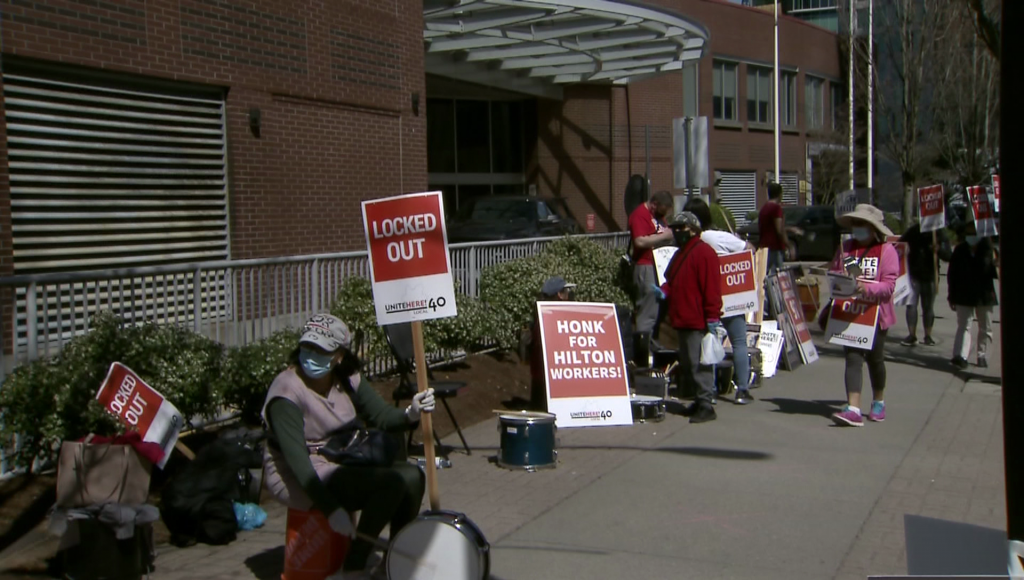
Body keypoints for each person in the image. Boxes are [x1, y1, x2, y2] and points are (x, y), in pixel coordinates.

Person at [262, 314, 435, 579]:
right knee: (389, 483)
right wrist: (331, 509)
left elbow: (381, 416)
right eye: (308, 346)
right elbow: (299, 464)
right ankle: (354, 566)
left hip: (339, 457)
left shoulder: (347, 377)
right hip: (298, 472)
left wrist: (410, 414)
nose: (311, 355)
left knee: (413, 476)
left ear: (339, 355)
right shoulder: (286, 391)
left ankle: (395, 558)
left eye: (321, 349)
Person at [828, 204, 899, 427]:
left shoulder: (886, 251)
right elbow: (839, 273)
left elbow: (888, 286)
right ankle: (853, 408)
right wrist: (841, 281)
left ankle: (878, 400)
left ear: (873, 228)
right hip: (851, 314)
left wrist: (865, 288)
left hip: (876, 316)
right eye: (855, 224)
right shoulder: (847, 248)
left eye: (863, 225)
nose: (858, 229)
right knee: (853, 358)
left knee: (875, 360)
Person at [684, 197, 757, 405]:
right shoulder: (719, 237)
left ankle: (711, 390)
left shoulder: (690, 241)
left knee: (709, 344)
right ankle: (742, 389)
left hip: (706, 299)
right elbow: (750, 248)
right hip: (732, 297)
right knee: (739, 343)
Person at [659, 211, 723, 424]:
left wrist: (712, 316)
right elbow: (670, 279)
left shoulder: (704, 253)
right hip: (682, 318)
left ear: (694, 230)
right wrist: (663, 291)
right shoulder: (680, 253)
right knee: (688, 363)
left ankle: (706, 403)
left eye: (682, 228)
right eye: (675, 228)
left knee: (699, 364)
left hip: (698, 320)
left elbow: (712, 288)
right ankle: (698, 399)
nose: (677, 232)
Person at [947, 226, 999, 370]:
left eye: (974, 233)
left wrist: (992, 255)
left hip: (984, 295)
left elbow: (990, 271)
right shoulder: (960, 250)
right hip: (964, 295)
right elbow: (952, 274)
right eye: (969, 233)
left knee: (985, 327)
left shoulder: (988, 249)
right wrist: (951, 296)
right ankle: (960, 356)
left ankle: (982, 355)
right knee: (964, 326)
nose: (972, 236)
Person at [628, 190, 675, 340]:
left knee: (658, 308)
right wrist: (664, 236)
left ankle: (655, 345)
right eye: (661, 211)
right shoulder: (639, 215)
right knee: (648, 309)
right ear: (654, 205)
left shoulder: (658, 217)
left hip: (660, 265)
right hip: (646, 266)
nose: (662, 216)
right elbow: (640, 241)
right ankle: (642, 349)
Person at [898, 222, 951, 346]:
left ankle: (928, 335)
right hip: (913, 275)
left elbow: (948, 256)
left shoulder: (939, 233)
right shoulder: (914, 230)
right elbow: (900, 244)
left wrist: (939, 250)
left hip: (930, 276)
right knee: (911, 306)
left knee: (928, 307)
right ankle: (912, 335)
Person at [528, 276, 576, 411]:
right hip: (545, 381)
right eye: (566, 292)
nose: (569, 296)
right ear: (559, 295)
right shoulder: (546, 320)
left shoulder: (545, 316)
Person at [758, 181, 790, 273]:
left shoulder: (763, 208)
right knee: (780, 274)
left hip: (764, 246)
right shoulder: (776, 208)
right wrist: (788, 245)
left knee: (766, 273)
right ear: (780, 194)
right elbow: (779, 229)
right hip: (775, 247)